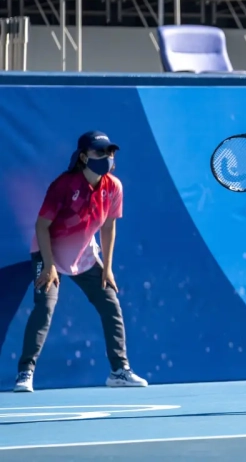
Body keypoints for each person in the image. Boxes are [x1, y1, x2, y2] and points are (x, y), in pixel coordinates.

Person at [14, 131, 148, 392]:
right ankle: (25, 372)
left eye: (110, 152)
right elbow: (42, 227)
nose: (107, 157)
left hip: (84, 254)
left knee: (111, 305)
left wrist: (107, 268)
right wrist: (49, 265)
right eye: (100, 152)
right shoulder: (63, 186)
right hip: (47, 252)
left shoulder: (114, 187)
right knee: (45, 307)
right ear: (85, 157)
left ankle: (119, 370)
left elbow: (109, 227)